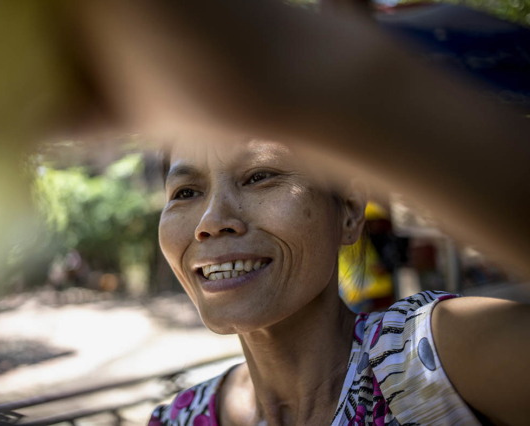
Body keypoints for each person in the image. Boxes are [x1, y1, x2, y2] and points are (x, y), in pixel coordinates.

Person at [148, 139, 529, 426]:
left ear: (348, 210)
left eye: (260, 176)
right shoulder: (179, 418)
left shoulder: (435, 357)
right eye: (186, 192)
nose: (210, 222)